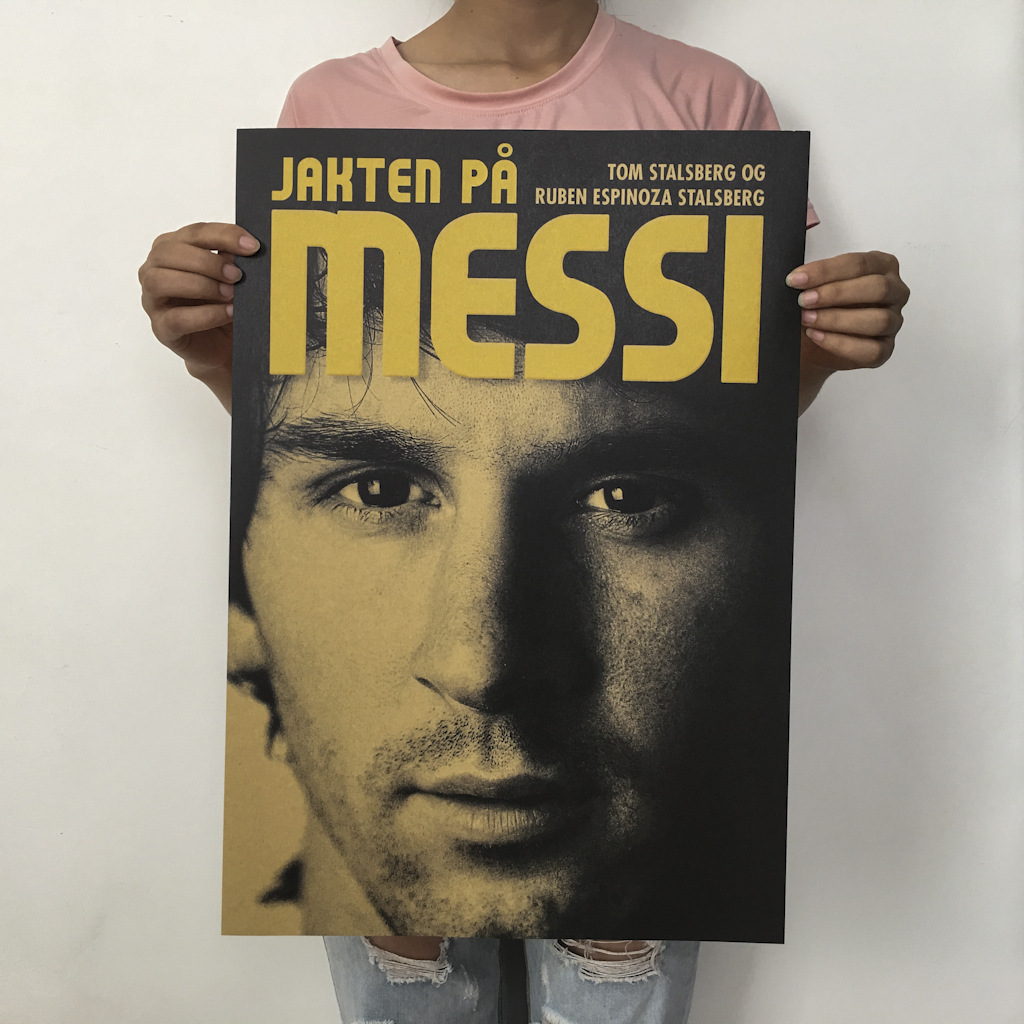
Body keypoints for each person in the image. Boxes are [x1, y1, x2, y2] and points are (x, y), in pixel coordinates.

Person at [138, 2, 909, 1021]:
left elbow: (738, 436)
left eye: (626, 497)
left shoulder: (706, 102)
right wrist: (217, 354)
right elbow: (290, 430)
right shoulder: (330, 106)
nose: (485, 663)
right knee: (404, 954)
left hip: (649, 855)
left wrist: (821, 346)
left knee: (615, 949)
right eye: (382, 490)